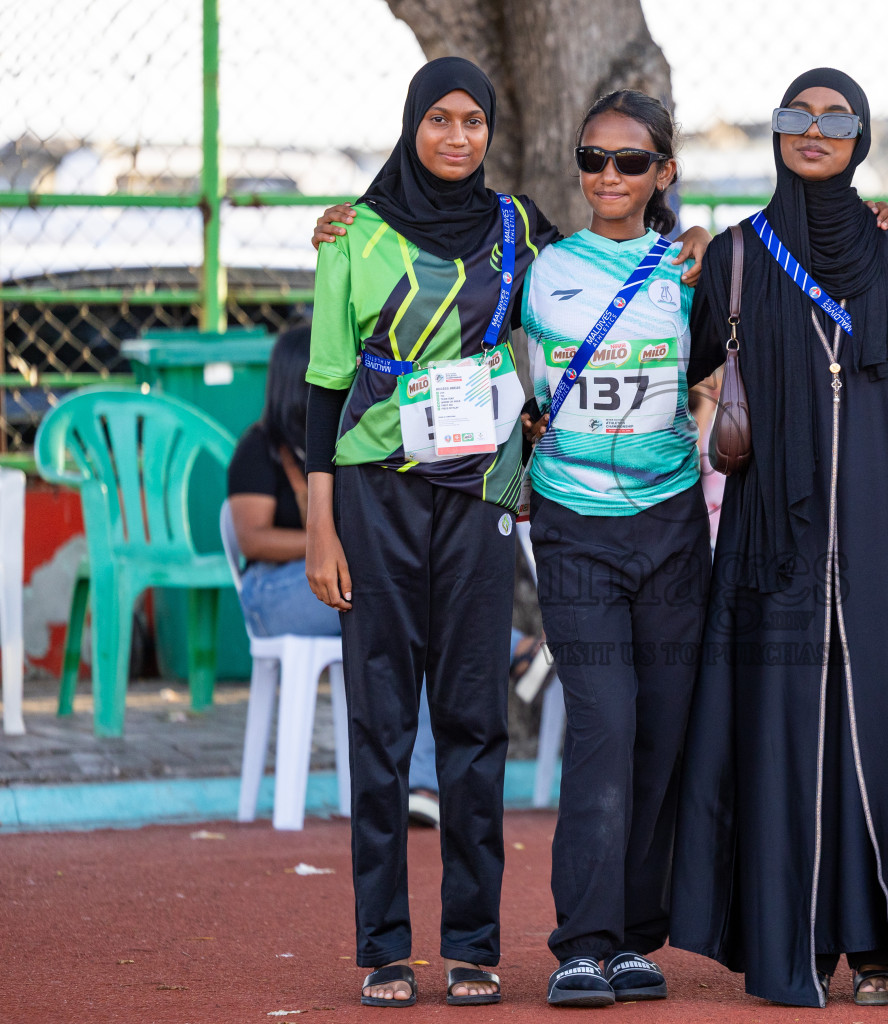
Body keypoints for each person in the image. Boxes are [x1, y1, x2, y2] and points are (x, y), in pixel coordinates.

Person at [669, 68, 888, 1009]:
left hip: (885, 532)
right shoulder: (732, 254)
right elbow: (679, 369)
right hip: (777, 540)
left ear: (862, 135)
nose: (814, 130)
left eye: (835, 118)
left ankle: (885, 942)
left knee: (884, 732)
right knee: (784, 737)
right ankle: (792, 946)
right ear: (773, 133)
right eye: (796, 116)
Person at [304, 56, 568, 1009]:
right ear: (411, 125)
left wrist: (691, 228)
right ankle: (383, 946)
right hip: (376, 496)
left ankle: (472, 943)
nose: (458, 138)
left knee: (471, 721)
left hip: (484, 494)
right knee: (380, 723)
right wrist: (320, 527)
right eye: (440, 121)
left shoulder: (519, 229)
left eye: (473, 122)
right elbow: (323, 389)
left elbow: (608, 274)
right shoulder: (354, 235)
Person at [514, 89, 717, 1007]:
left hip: (673, 523)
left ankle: (636, 938)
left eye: (630, 162)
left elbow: (800, 281)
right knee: (605, 722)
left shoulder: (691, 271)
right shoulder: (538, 264)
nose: (608, 176)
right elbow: (439, 246)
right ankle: (581, 943)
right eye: (592, 159)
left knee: (665, 730)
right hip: (572, 524)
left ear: (662, 174)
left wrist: (879, 226)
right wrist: (346, 223)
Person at [226, 325, 446, 829]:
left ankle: (420, 785)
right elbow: (252, 540)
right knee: (402, 605)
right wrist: (328, 546)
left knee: (414, 617)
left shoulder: (344, 445)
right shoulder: (257, 450)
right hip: (274, 593)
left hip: (334, 587)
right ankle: (519, 654)